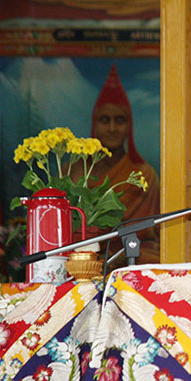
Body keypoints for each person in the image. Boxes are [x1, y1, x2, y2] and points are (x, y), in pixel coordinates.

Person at [71, 64, 160, 264]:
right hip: (82, 260)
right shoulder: (74, 171)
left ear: (128, 126)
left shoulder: (144, 174)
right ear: (95, 125)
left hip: (129, 257)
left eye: (119, 120)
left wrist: (113, 258)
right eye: (105, 120)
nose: (112, 128)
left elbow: (148, 239)